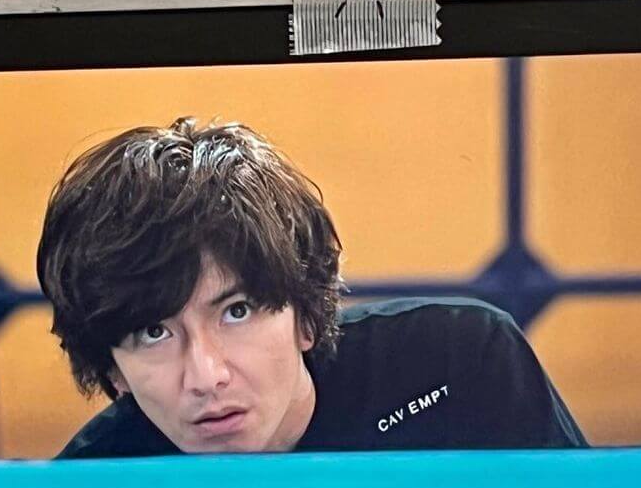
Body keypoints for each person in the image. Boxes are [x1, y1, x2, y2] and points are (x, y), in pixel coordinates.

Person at [36, 118, 587, 458]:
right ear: (114, 372)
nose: (206, 377)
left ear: (304, 316)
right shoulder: (92, 487)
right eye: (154, 332)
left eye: (237, 311)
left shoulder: (463, 360)